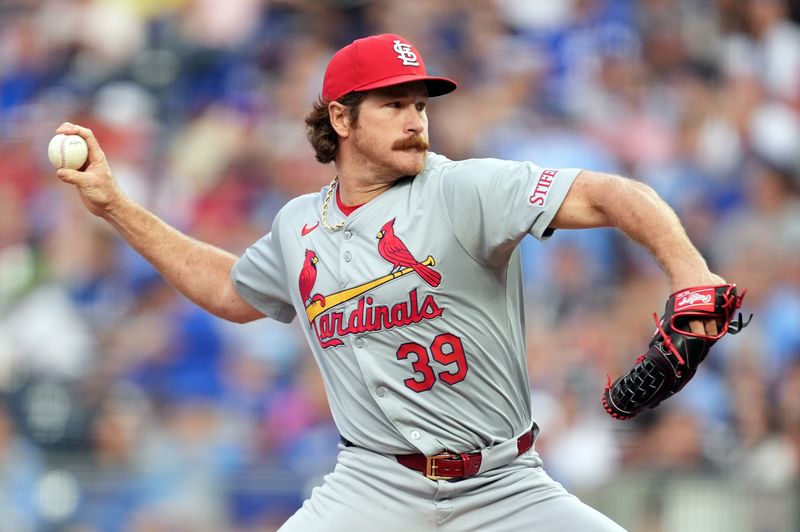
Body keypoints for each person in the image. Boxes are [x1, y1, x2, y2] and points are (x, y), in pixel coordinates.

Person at [54, 33, 725, 532]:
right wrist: (115, 205)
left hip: (505, 486)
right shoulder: (298, 227)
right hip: (372, 486)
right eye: (394, 104)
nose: (415, 120)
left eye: (420, 104)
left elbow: (610, 194)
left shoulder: (463, 188)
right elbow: (231, 291)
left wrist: (688, 269)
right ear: (341, 119)